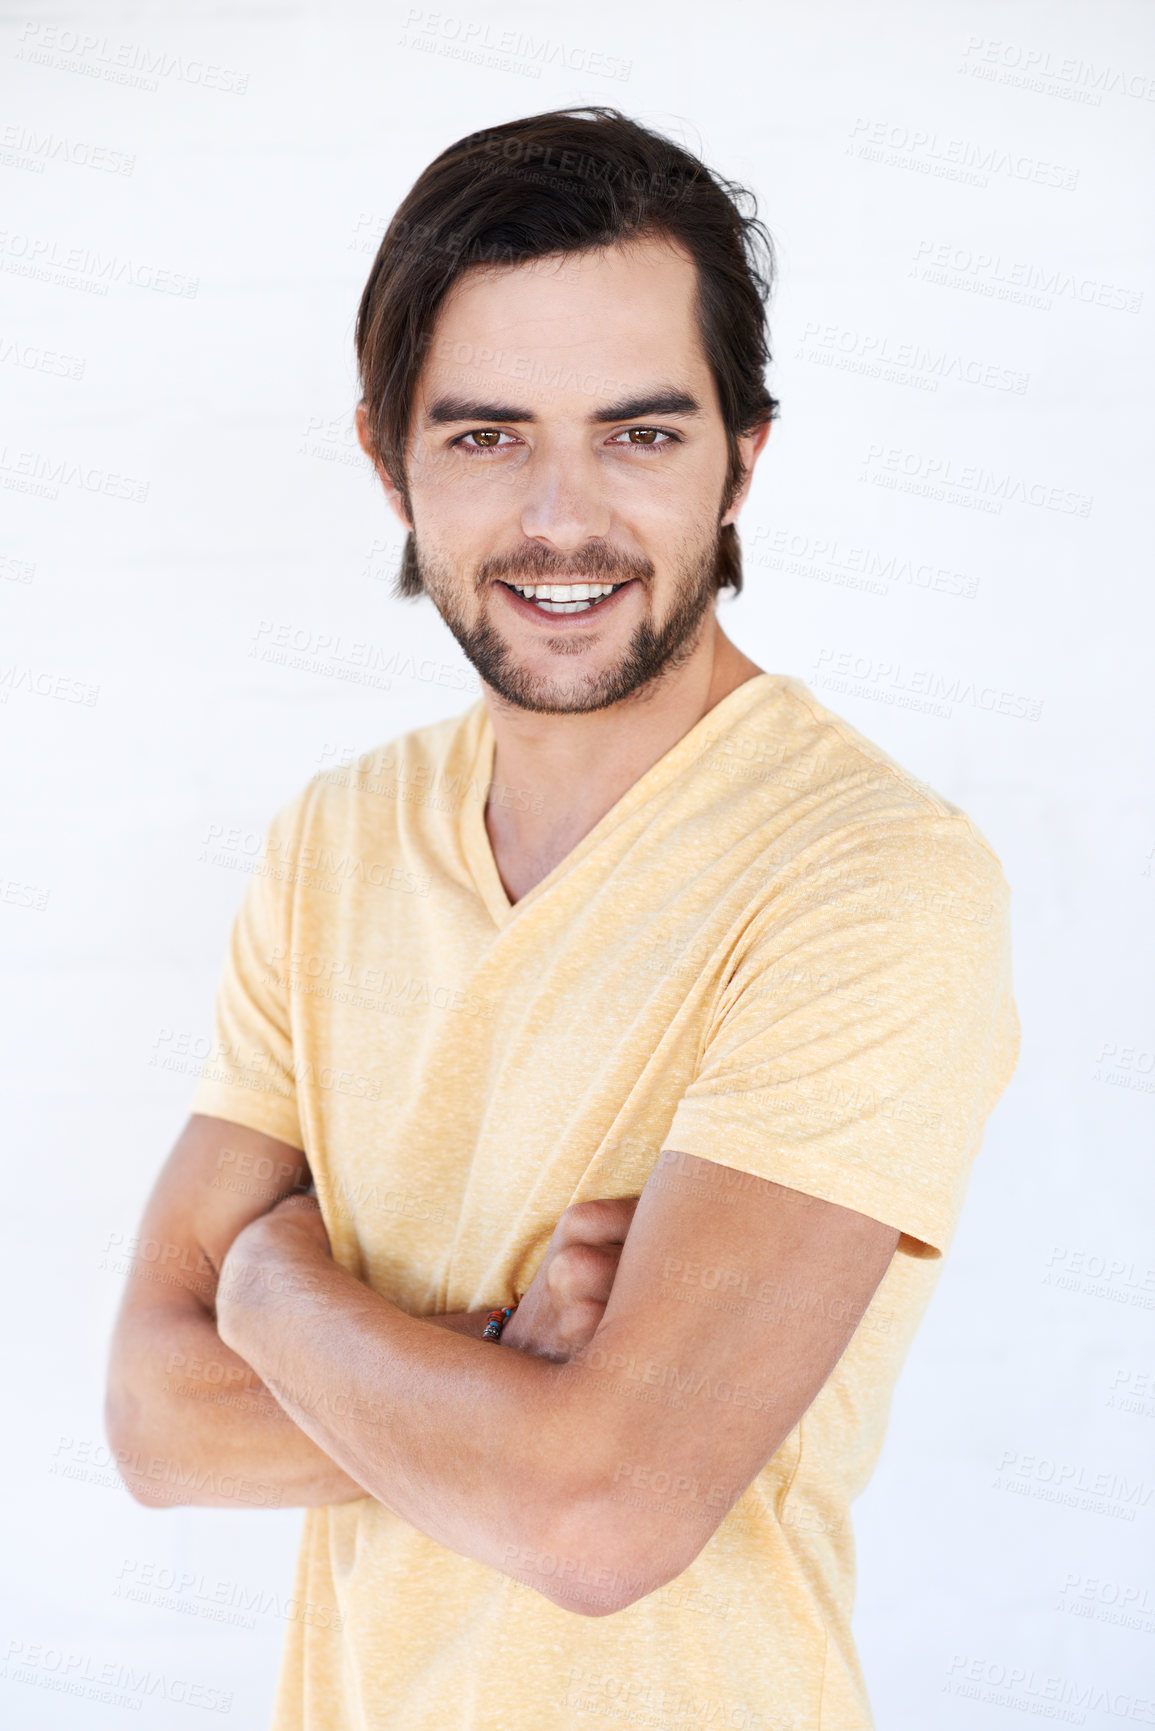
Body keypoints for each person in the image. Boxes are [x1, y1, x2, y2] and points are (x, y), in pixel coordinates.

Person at [106, 107, 1020, 1731]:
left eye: (641, 435)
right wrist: (515, 1374)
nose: (561, 518)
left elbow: (600, 1519)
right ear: (389, 455)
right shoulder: (334, 842)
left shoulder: (869, 874)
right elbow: (156, 1425)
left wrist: (270, 1291)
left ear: (745, 451)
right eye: (486, 436)